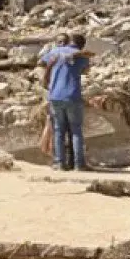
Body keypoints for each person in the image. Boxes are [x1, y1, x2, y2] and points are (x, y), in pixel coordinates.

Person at [40, 33, 90, 171]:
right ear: (81, 45)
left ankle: (59, 163)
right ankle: (79, 164)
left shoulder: (55, 51)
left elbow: (42, 62)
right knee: (76, 130)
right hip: (73, 95)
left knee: (58, 130)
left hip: (55, 95)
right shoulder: (82, 55)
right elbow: (85, 70)